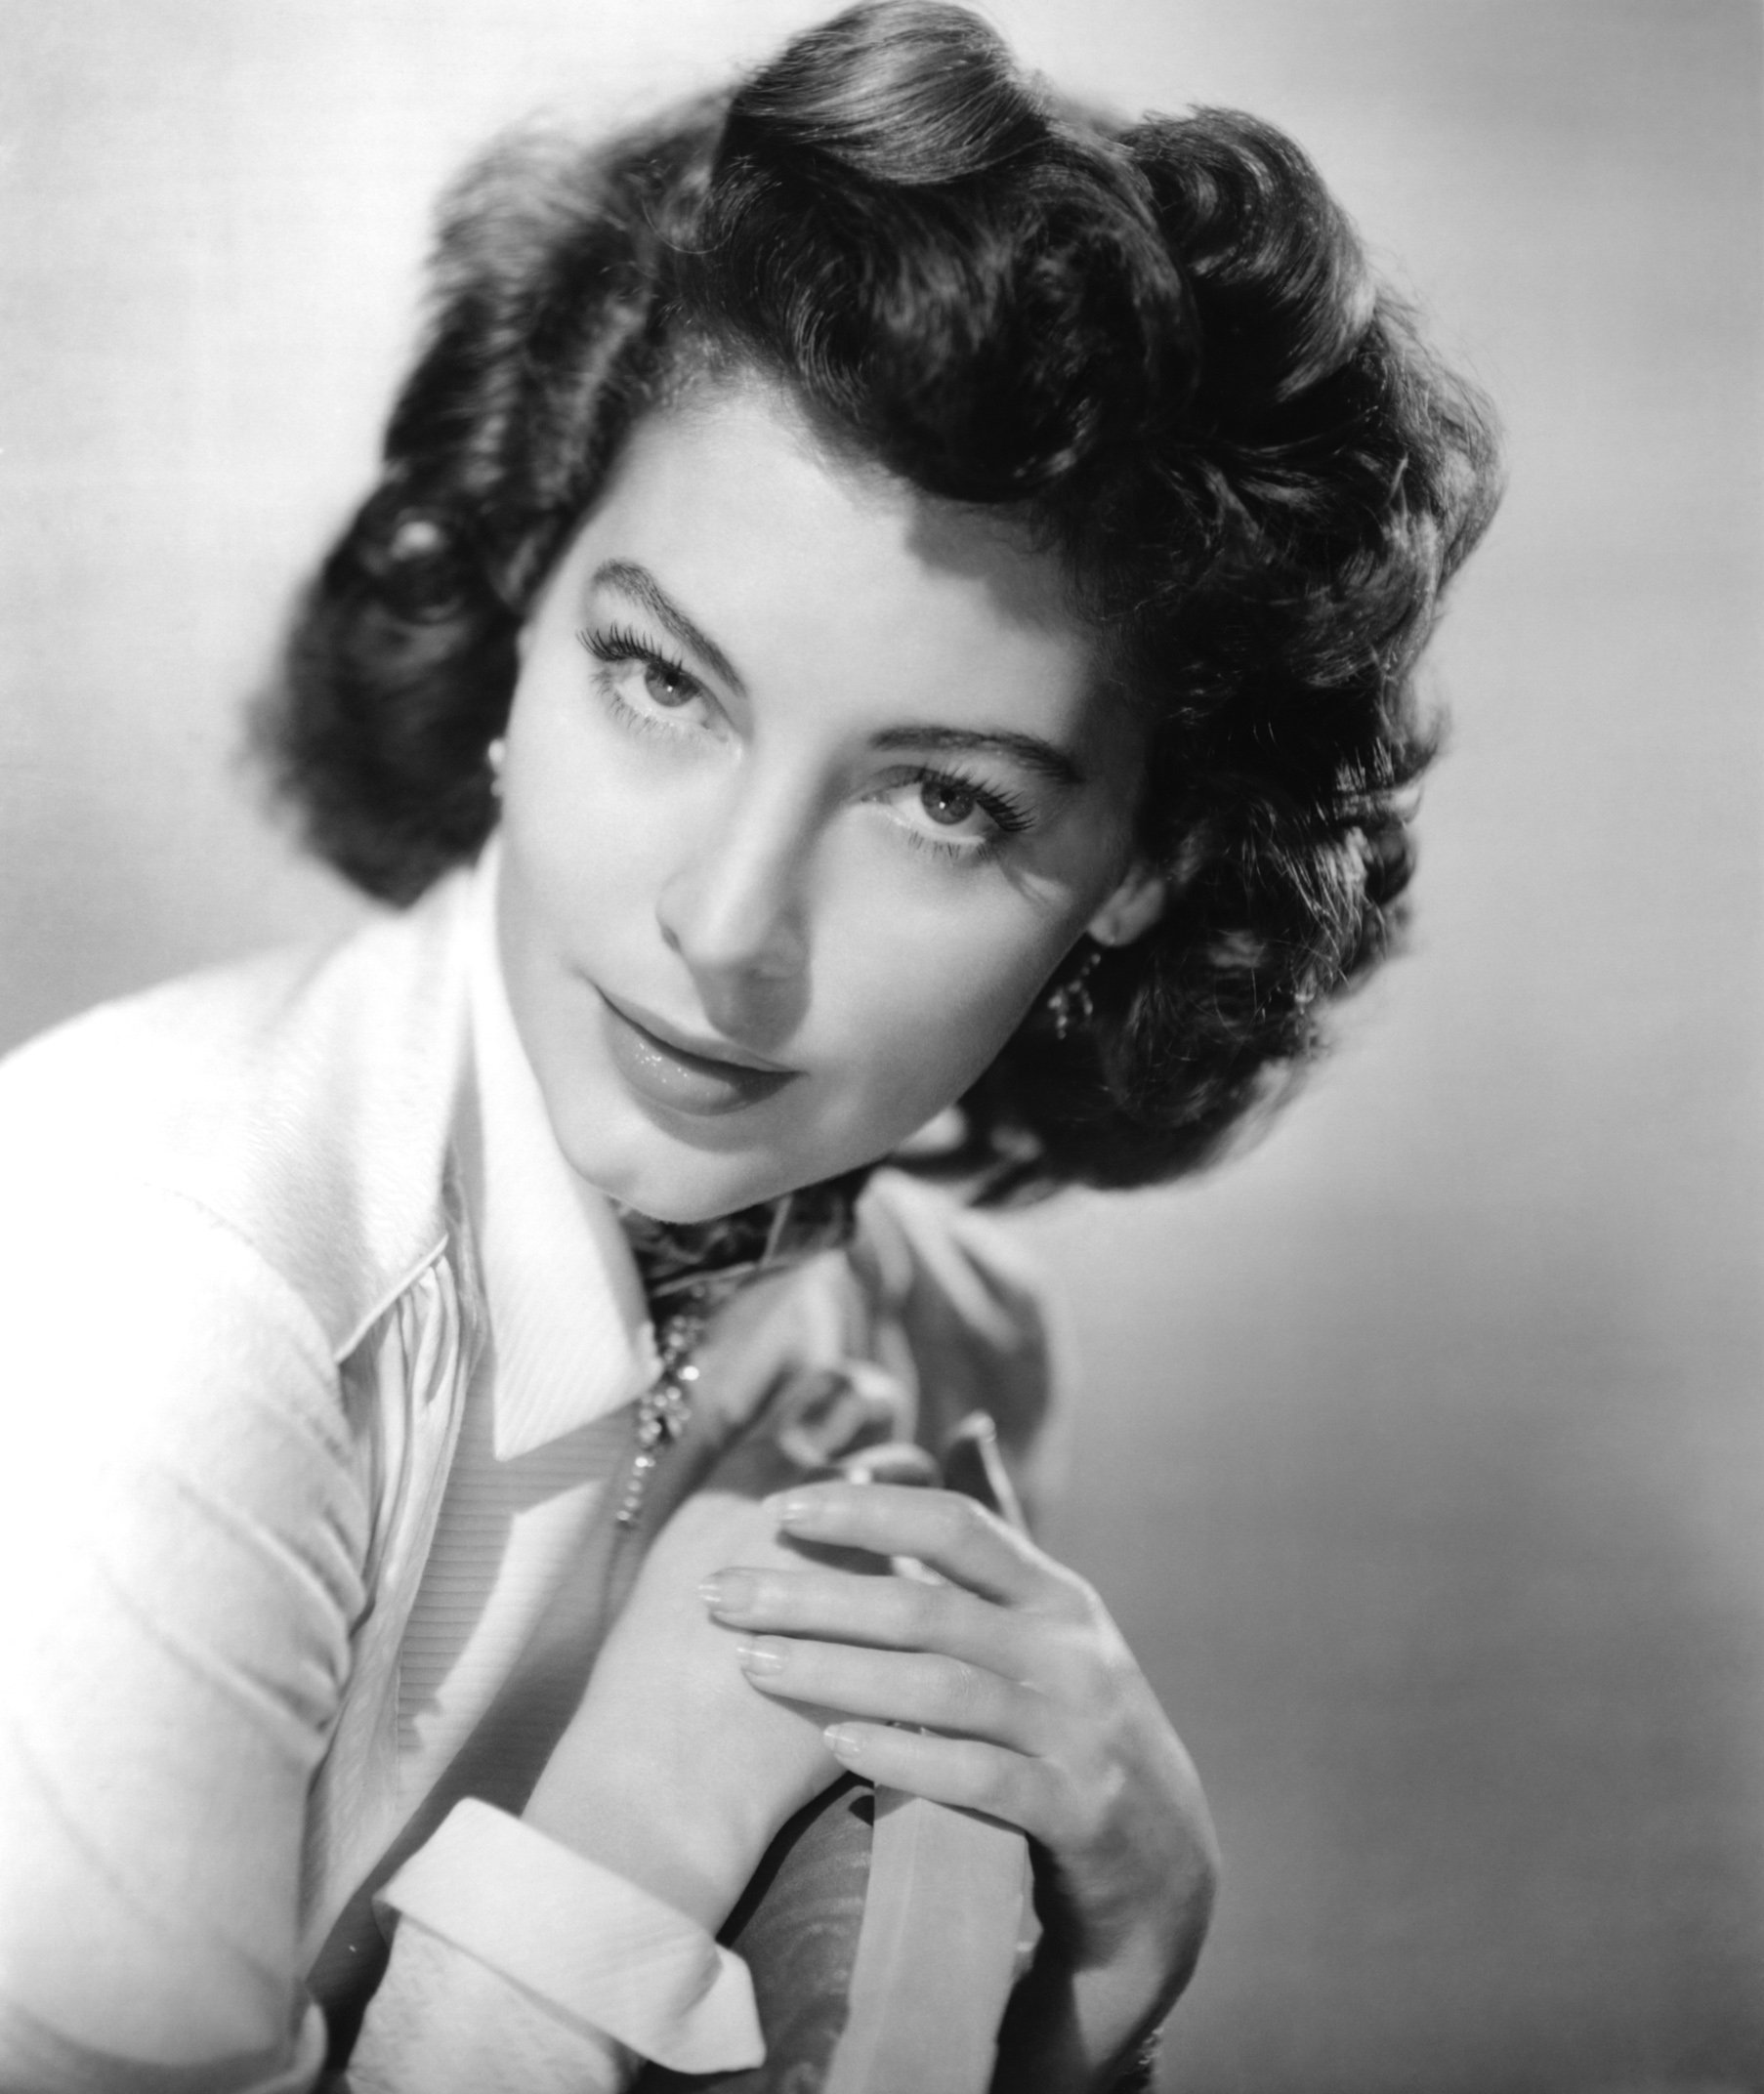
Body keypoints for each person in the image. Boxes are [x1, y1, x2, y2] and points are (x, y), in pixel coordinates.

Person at [0, 4, 1500, 2089]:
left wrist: (1106, 1970)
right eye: (662, 680)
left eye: (944, 799)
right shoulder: (156, 1289)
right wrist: (628, 1834)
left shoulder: (950, 1351)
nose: (726, 927)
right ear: (523, 598)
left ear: (1137, 871)